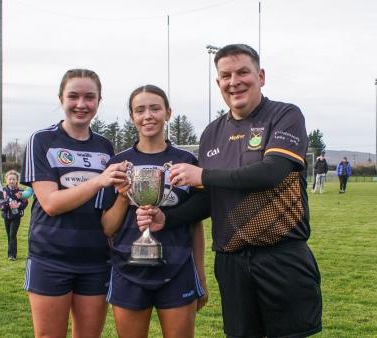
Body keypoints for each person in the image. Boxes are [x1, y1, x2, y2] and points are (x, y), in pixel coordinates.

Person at [135, 44, 322, 338]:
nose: (234, 81)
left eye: (243, 72)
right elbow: (210, 199)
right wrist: (166, 219)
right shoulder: (212, 132)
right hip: (232, 261)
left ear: (260, 76)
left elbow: (271, 172)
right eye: (226, 75)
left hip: (281, 257)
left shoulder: (284, 115)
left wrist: (203, 175)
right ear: (218, 83)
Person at [21, 69, 129, 338]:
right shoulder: (42, 140)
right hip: (50, 258)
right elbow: (50, 204)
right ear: (61, 98)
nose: (81, 104)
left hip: (96, 259)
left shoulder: (105, 147)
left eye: (89, 97)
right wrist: (98, 181)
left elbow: (107, 214)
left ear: (99, 101)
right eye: (74, 96)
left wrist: (126, 194)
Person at [101, 85, 208, 338]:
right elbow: (107, 227)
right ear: (132, 117)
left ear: (168, 113)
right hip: (129, 269)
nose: (147, 115)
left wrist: (200, 275)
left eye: (155, 108)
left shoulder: (186, 161)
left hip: (178, 267)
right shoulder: (117, 163)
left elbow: (195, 223)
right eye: (140, 110)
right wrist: (124, 197)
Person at [0, 169, 28, 261]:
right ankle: (10, 252)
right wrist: (8, 205)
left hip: (16, 216)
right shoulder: (3, 191)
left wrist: (19, 206)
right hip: (6, 215)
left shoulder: (20, 191)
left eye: (14, 179)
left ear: (17, 180)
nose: (11, 181)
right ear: (6, 180)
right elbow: (1, 204)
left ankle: (12, 255)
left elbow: (25, 202)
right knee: (8, 235)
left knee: (12, 234)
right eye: (10, 179)